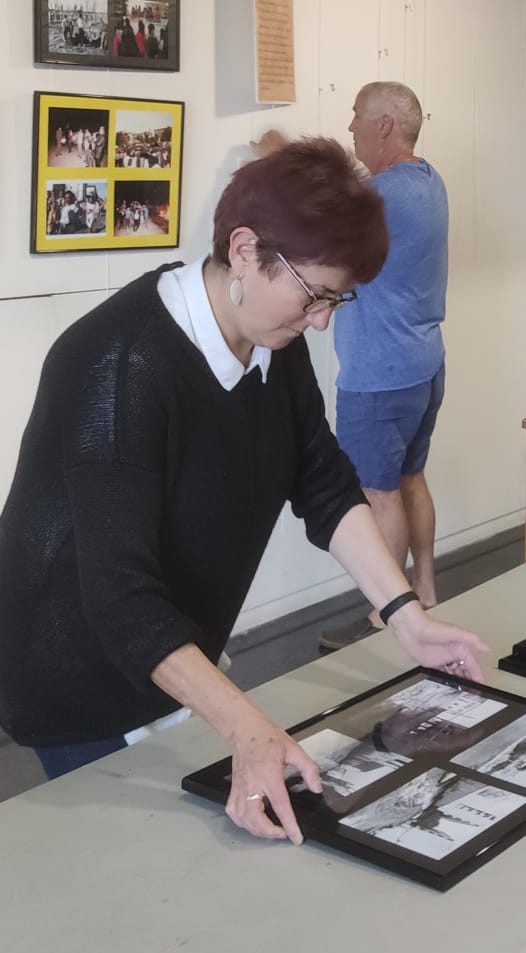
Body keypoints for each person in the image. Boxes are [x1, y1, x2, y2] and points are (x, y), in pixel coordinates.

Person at [0, 138, 484, 843]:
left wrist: (405, 614)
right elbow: (118, 597)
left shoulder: (267, 338)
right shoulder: (118, 366)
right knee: (131, 867)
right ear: (248, 250)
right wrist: (245, 725)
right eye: (314, 295)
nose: (322, 319)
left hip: (172, 637)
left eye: (336, 298)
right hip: (76, 661)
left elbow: (321, 480)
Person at [320, 83, 449, 651]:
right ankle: (424, 588)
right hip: (424, 363)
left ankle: (388, 618)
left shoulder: (380, 197)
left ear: (385, 127)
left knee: (379, 496)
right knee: (411, 480)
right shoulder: (427, 181)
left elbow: (320, 237)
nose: (349, 129)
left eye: (355, 118)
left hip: (380, 375)